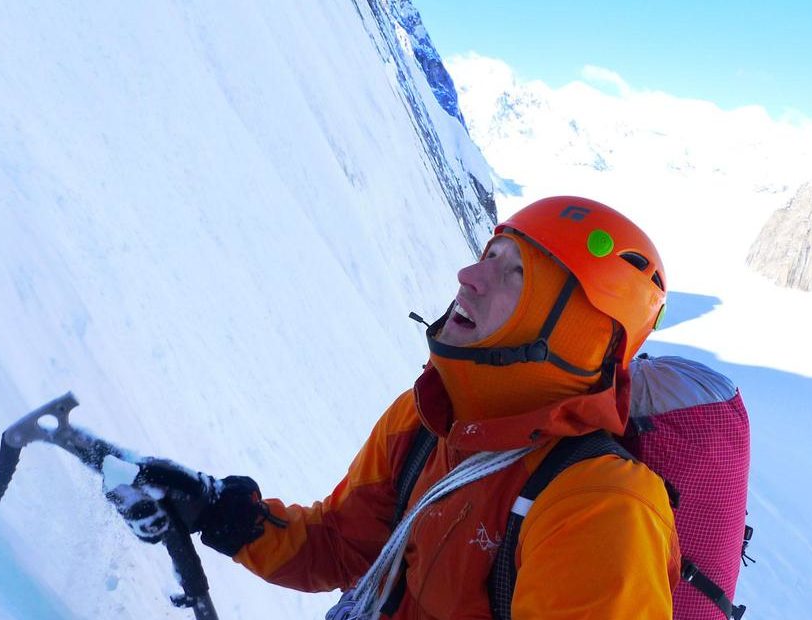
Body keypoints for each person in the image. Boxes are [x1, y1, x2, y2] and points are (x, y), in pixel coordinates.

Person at [109, 195, 680, 618]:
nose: (469, 276)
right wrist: (220, 514)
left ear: (577, 336)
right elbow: (341, 545)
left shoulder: (602, 509)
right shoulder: (430, 420)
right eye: (491, 254)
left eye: (515, 275)